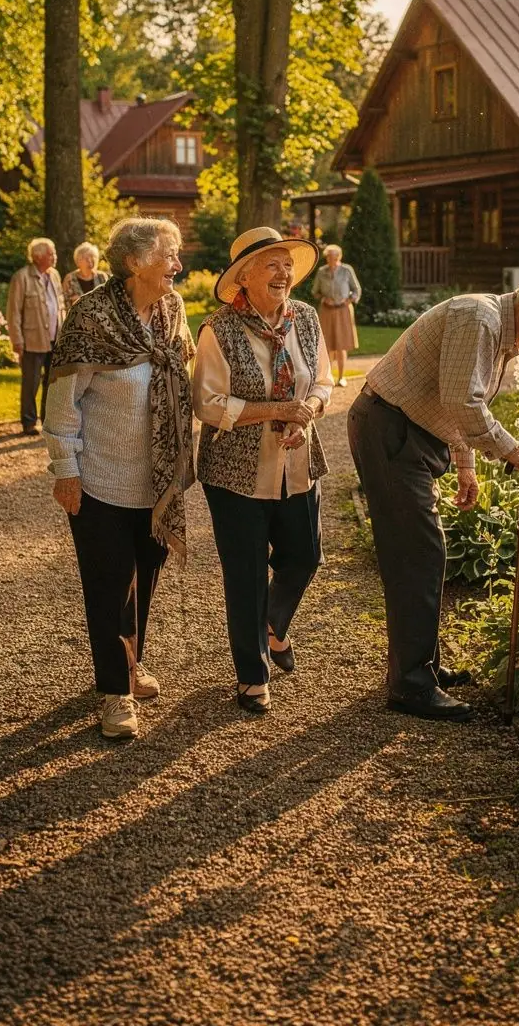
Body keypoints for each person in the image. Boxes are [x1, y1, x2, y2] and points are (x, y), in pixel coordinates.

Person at [347, 272, 519, 722]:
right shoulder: (480, 318)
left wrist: (465, 465)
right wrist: (512, 450)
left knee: (423, 552)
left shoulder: (500, 331)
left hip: (408, 430)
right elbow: (462, 402)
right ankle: (411, 686)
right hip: (390, 429)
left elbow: (453, 398)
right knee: (417, 554)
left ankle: (422, 667)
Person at [43, 216, 195, 741]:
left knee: (145, 578)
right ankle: (115, 692)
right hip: (100, 478)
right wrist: (66, 470)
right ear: (134, 262)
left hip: (156, 481)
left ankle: (130, 662)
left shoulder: (172, 310)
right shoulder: (91, 318)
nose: (178, 265)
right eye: (168, 256)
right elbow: (62, 403)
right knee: (110, 585)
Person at [193, 227, 333, 715]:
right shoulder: (218, 329)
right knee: (247, 574)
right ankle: (252, 675)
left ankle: (273, 624)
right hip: (235, 474)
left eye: (287, 264)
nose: (283, 273)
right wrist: (275, 410)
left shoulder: (306, 318)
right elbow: (207, 404)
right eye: (271, 264)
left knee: (306, 555)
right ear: (244, 276)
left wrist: (307, 411)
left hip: (297, 461)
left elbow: (323, 381)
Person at [6, 238, 66, 435]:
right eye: (50, 253)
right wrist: (17, 340)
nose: (54, 256)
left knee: (52, 382)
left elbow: (60, 306)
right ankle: (29, 422)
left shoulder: (54, 275)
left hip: (55, 338)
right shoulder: (21, 277)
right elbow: (14, 312)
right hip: (32, 340)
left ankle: (47, 420)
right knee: (30, 383)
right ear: (38, 256)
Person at [312, 243, 361, 387]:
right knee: (327, 345)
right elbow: (315, 291)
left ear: (339, 257)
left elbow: (356, 290)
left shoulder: (347, 270)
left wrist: (349, 300)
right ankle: (328, 378)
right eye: (328, 257)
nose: (331, 260)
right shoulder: (321, 271)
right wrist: (323, 298)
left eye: (333, 257)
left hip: (343, 310)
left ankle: (341, 377)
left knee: (341, 345)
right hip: (326, 311)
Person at [62, 242, 108, 311]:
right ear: (78, 261)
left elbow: (108, 299)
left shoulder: (102, 276)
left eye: (93, 256)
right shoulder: (69, 279)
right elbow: (65, 302)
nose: (90, 260)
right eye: (86, 258)